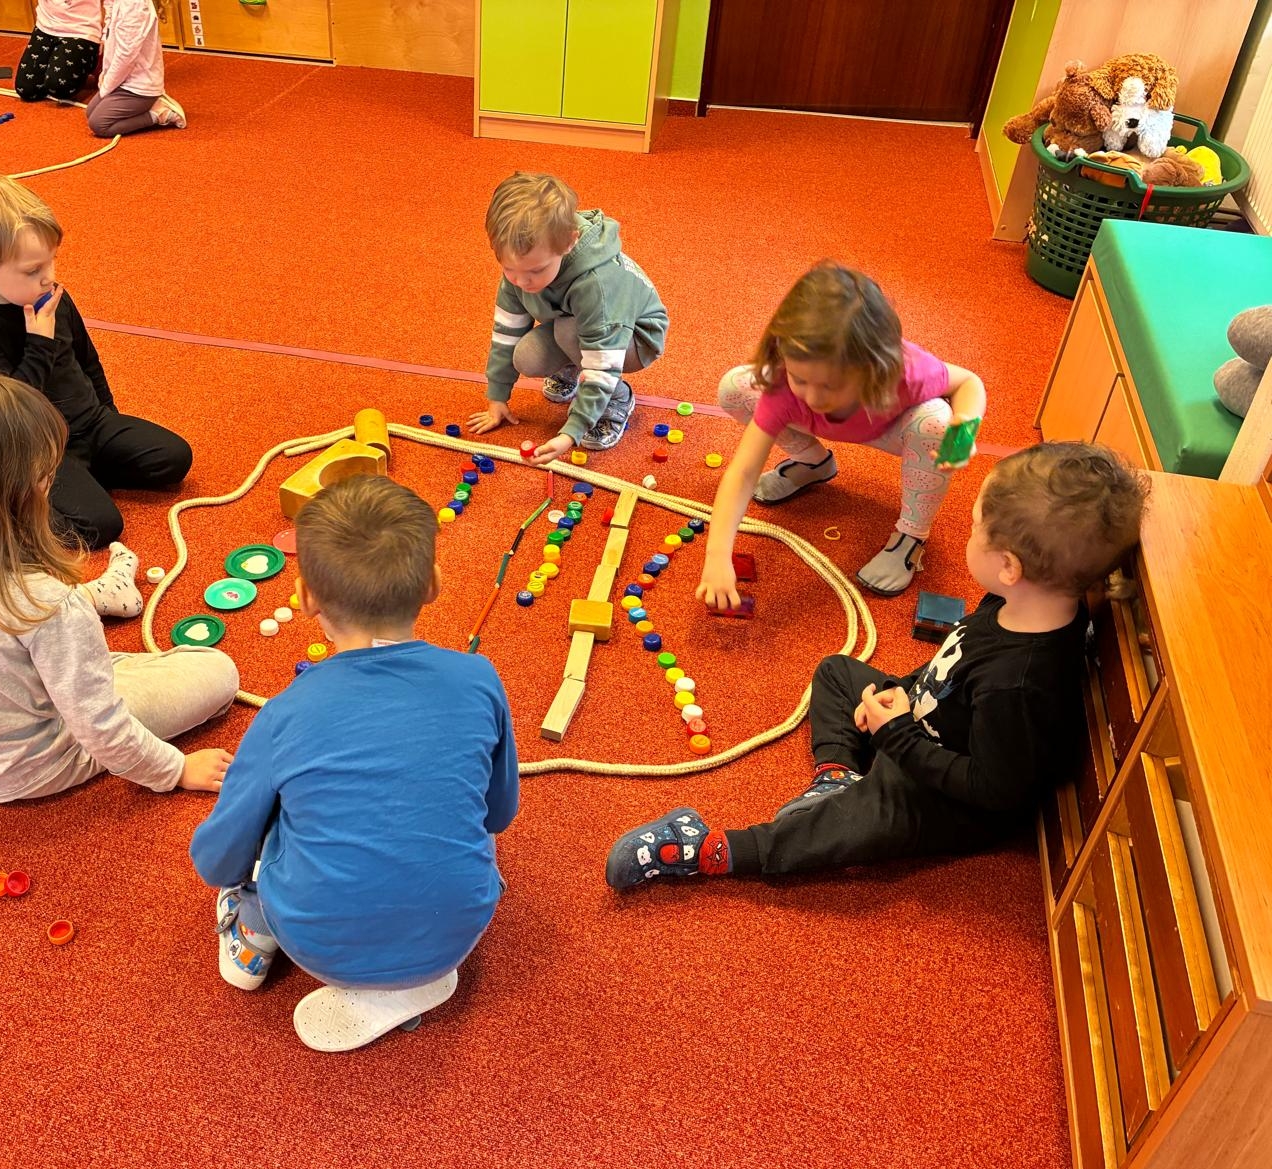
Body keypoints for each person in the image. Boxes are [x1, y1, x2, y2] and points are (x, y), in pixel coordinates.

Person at [606, 441, 1149, 888]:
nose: (968, 530)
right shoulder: (1016, 602)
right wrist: (905, 694)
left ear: (1009, 566)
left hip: (943, 796)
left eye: (976, 525)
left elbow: (990, 790)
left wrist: (896, 735)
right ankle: (836, 775)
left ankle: (708, 851)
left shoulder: (1020, 685)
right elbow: (951, 669)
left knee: (844, 826)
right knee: (837, 673)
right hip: (920, 727)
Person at [189, 475, 520, 1052]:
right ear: (433, 583)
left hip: (317, 945)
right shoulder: (479, 678)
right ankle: (412, 954)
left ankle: (252, 929)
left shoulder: (284, 714)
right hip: (458, 931)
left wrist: (235, 877)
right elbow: (498, 813)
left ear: (305, 597)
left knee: (274, 820)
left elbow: (219, 856)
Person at [0, 366, 238, 803]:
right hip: (33, 764)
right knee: (216, 670)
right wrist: (175, 769)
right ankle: (97, 607)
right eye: (45, 474)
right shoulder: (47, 603)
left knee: (59, 646)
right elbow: (99, 726)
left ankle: (100, 599)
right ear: (16, 489)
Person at [698, 262, 987, 598]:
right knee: (735, 387)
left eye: (830, 385)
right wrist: (717, 555)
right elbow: (744, 471)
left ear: (873, 369)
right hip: (824, 421)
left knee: (937, 422)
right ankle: (813, 463)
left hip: (890, 427)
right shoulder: (784, 387)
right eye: (800, 378)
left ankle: (911, 535)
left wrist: (964, 430)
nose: (813, 397)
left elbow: (968, 382)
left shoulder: (906, 371)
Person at [0, 173, 193, 549]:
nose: (49, 278)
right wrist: (39, 344)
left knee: (174, 458)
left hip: (91, 424)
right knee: (101, 526)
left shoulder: (52, 295)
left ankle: (84, 477)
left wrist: (109, 417)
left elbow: (87, 359)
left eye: (51, 262)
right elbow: (7, 413)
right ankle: (17, 504)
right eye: (33, 270)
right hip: (38, 448)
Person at [467, 172, 668, 465]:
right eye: (509, 269)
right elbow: (506, 332)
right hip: (576, 322)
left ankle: (617, 397)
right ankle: (573, 367)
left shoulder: (596, 284)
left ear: (570, 242)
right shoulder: (522, 269)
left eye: (536, 270)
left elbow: (602, 360)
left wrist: (572, 432)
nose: (521, 281)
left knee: (568, 331)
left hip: (634, 337)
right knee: (527, 356)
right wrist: (497, 398)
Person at [86, 0, 185, 137]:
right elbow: (109, 20)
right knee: (91, 112)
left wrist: (107, 86)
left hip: (139, 86)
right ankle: (149, 105)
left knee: (99, 124)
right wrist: (106, 74)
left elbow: (126, 56)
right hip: (122, 80)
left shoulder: (134, 5)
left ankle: (158, 114)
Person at [15, 0, 101, 104]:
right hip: (45, 27)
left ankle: (93, 61)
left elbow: (111, 4)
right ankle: (60, 64)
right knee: (26, 89)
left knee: (60, 88)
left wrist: (106, 37)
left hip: (80, 30)